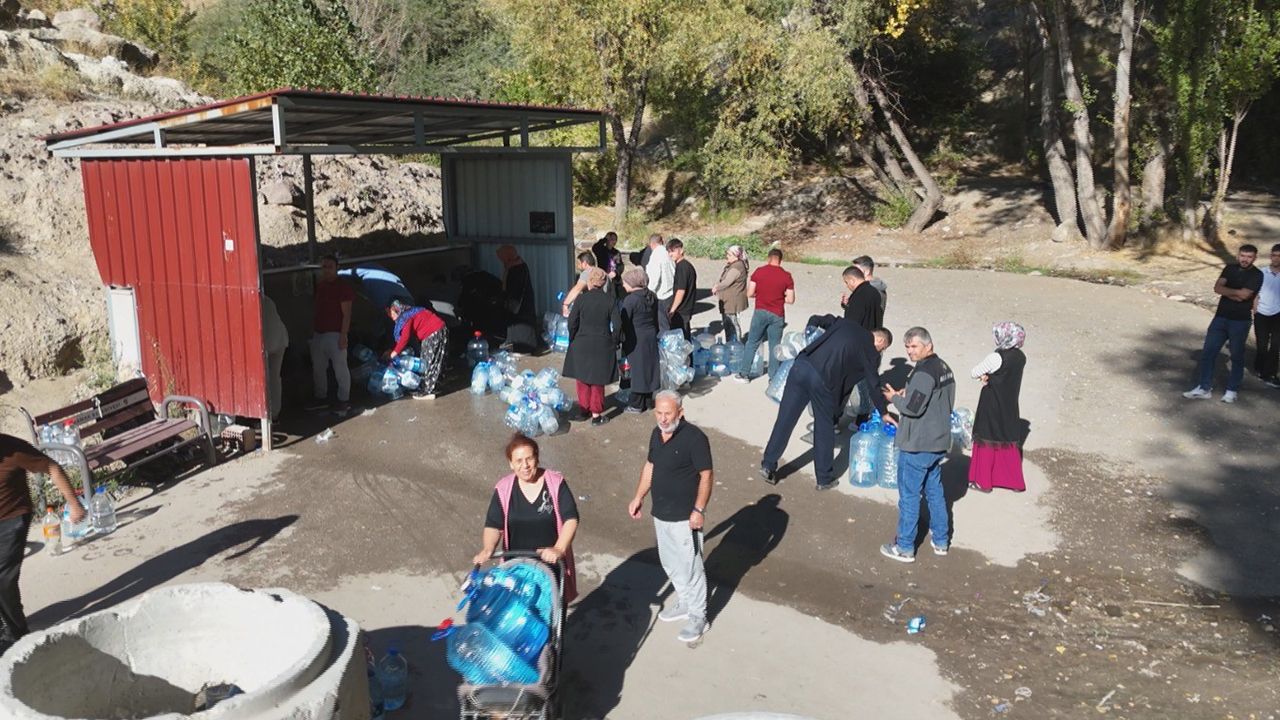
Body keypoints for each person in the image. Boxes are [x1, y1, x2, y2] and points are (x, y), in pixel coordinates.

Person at [759, 316, 889, 490]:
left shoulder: (846, 323)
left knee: (785, 420)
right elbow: (873, 383)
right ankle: (824, 478)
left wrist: (809, 334)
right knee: (824, 428)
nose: (881, 351)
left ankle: (768, 464)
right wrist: (884, 411)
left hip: (801, 366)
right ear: (880, 339)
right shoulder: (870, 349)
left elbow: (816, 318)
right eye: (883, 347)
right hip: (824, 382)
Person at [627, 391, 713, 644]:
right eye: (659, 413)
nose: (663, 419)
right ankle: (685, 602)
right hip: (661, 514)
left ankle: (699, 616)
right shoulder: (657, 434)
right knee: (670, 563)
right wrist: (638, 496)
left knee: (692, 567)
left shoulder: (695, 439)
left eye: (668, 414)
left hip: (686, 518)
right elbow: (650, 467)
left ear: (680, 413)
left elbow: (706, 476)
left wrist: (698, 510)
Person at [0, 434, 86, 653]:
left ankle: (16, 634)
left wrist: (74, 504)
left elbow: (52, 468)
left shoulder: (13, 449)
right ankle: (8, 622)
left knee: (3, 578)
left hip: (12, 518)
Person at [880, 327, 956, 563]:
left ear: (928, 345)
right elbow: (931, 398)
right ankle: (941, 540)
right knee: (935, 492)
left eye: (914, 346)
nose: (910, 351)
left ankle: (904, 547)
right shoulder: (944, 368)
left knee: (910, 496)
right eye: (907, 347)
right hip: (938, 441)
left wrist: (894, 398)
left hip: (918, 444)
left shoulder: (923, 373)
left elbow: (913, 408)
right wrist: (909, 392)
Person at [475, 434, 579, 603]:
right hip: (516, 569)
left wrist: (559, 549)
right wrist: (488, 548)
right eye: (519, 461)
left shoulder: (555, 483)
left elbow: (571, 519)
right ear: (511, 464)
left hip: (550, 567)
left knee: (549, 621)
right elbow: (493, 525)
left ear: (536, 458)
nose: (525, 465)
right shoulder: (504, 488)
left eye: (529, 459)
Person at [1183, 244, 1264, 403]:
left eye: (1249, 257)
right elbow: (1217, 288)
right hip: (1220, 317)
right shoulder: (1229, 268)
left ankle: (1232, 390)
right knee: (1208, 353)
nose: (1245, 259)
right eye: (1242, 256)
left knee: (1237, 356)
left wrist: (1229, 292)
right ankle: (1204, 388)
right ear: (1237, 255)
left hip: (1240, 321)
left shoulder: (1257, 275)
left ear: (1254, 258)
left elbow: (1245, 295)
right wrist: (1236, 293)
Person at [968, 322, 1028, 493]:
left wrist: (986, 376)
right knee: (1007, 439)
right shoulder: (1020, 357)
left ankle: (983, 481)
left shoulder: (996, 357)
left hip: (992, 402)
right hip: (1010, 403)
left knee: (986, 438)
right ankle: (1014, 481)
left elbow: (974, 372)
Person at [563, 268, 621, 426]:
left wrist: (573, 337)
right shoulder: (610, 300)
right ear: (603, 283)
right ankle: (596, 415)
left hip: (581, 341)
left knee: (582, 378)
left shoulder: (581, 300)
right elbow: (617, 325)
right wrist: (614, 341)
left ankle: (583, 410)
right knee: (598, 380)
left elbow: (572, 322)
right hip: (602, 343)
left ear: (589, 282)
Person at [737, 248, 795, 383]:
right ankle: (773, 377)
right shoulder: (787, 276)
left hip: (760, 311)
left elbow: (750, 293)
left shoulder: (759, 272)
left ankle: (744, 374)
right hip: (777, 314)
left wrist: (761, 295)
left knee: (752, 342)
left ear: (768, 258)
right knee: (775, 345)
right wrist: (780, 298)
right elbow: (791, 300)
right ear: (780, 260)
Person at [308, 255, 354, 415]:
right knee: (318, 368)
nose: (326, 270)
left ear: (337, 268)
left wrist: (343, 335)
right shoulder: (321, 286)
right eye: (324, 267)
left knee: (340, 368)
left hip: (335, 333)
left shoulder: (343, 287)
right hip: (319, 333)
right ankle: (321, 398)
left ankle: (344, 400)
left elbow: (346, 314)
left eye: (329, 267)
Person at [385, 299, 448, 399]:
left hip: (434, 333)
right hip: (436, 331)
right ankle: (433, 386)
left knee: (427, 362)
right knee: (433, 360)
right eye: (387, 312)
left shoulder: (406, 317)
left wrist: (394, 353)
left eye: (390, 311)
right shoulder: (409, 313)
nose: (389, 315)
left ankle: (428, 391)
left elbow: (404, 338)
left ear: (397, 309)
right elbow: (402, 339)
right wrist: (394, 350)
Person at [620, 268, 661, 413]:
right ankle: (649, 400)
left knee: (637, 369)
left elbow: (625, 321)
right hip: (650, 334)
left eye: (625, 283)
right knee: (649, 367)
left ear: (632, 283)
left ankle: (636, 404)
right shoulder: (652, 296)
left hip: (636, 336)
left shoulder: (631, 300)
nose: (623, 285)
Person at [497, 244, 539, 353]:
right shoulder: (513, 266)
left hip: (520, 305)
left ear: (508, 257)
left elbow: (515, 290)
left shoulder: (518, 269)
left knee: (521, 326)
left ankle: (522, 347)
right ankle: (514, 343)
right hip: (517, 303)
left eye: (502, 258)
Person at [1253, 243, 1280, 388]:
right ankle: (1260, 367)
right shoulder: (1261, 273)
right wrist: (1255, 310)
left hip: (1278, 315)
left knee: (1275, 346)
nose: (1276, 259)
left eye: (1279, 256)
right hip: (1262, 314)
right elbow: (1255, 294)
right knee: (1262, 345)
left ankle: (1271, 374)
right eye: (1273, 255)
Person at [710, 245, 749, 343]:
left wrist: (716, 287)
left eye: (729, 254)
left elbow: (727, 281)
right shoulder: (736, 265)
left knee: (731, 323)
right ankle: (732, 343)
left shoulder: (737, 267)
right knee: (730, 323)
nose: (727, 256)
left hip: (732, 301)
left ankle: (735, 344)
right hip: (730, 300)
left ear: (736, 256)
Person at [337, 263, 413, 312]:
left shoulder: (369, 278)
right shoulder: (374, 271)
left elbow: (343, 273)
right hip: (405, 297)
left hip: (391, 300)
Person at [262, 295, 289, 421]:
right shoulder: (268, 300)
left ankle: (265, 414)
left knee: (265, 380)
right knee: (274, 377)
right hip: (280, 340)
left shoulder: (254, 302)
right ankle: (275, 414)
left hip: (267, 343)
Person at [667, 239, 698, 340]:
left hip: (681, 310)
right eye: (669, 251)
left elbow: (681, 290)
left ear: (681, 250)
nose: (670, 254)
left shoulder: (682, 267)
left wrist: (672, 310)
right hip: (685, 309)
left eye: (673, 251)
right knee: (685, 340)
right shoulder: (685, 266)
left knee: (681, 343)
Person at [645, 234, 676, 333]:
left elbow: (654, 276)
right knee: (670, 322)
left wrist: (649, 291)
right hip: (671, 292)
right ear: (662, 241)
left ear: (651, 244)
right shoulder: (668, 253)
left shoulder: (656, 255)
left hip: (662, 295)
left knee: (663, 325)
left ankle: (665, 346)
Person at [839, 265, 883, 332]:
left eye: (846, 282)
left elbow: (852, 323)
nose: (847, 286)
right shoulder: (874, 291)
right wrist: (847, 305)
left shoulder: (858, 296)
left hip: (860, 337)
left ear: (852, 280)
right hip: (874, 335)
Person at [560, 251, 599, 317]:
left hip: (594, 309)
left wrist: (565, 304)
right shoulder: (601, 272)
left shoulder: (587, 273)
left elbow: (577, 289)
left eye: (578, 263)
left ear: (584, 263)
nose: (577, 266)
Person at [592, 231, 624, 298]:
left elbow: (620, 265)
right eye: (612, 239)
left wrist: (616, 272)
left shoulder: (616, 252)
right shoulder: (601, 250)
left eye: (615, 239)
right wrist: (604, 239)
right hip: (603, 278)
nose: (614, 241)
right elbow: (595, 247)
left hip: (615, 280)